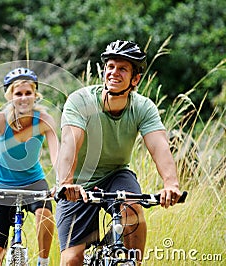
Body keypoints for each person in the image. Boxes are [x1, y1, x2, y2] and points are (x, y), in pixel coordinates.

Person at [55, 40, 182, 265]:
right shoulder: (81, 101)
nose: (114, 72)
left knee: (133, 208)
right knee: (72, 259)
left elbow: (159, 146)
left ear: (135, 79)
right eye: (110, 66)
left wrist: (171, 184)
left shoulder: (143, 107)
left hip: (116, 175)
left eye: (122, 68)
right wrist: (66, 182)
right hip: (77, 183)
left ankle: (133, 262)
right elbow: (70, 142)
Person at [0, 67, 59, 266]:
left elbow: (57, 155)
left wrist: (60, 183)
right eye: (18, 93)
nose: (23, 98)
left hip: (33, 182)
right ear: (10, 96)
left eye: (28, 93)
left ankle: (43, 261)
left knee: (44, 214)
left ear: (35, 95)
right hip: (0, 185)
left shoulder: (44, 120)